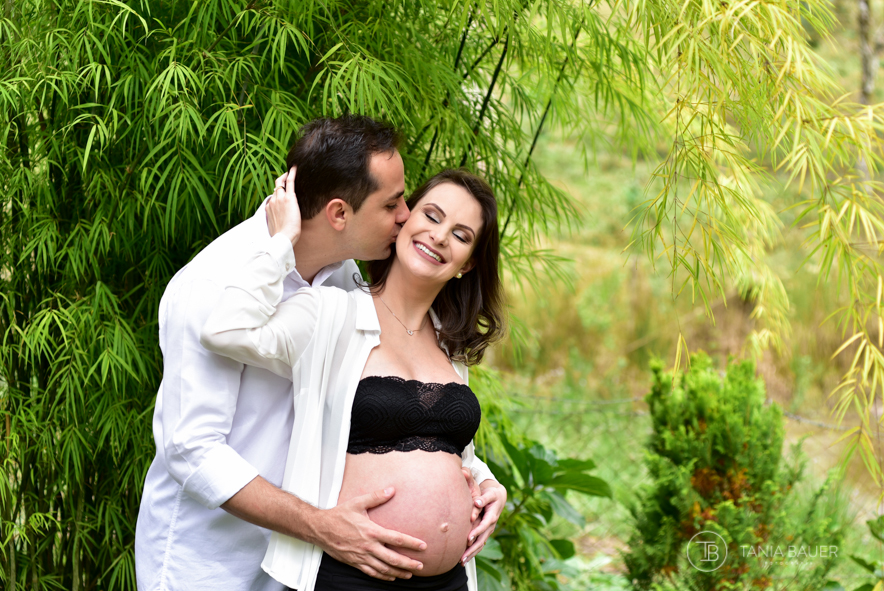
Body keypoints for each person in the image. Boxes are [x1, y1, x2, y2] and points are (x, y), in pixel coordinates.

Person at [135, 115, 505, 591]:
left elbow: (400, 418)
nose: (405, 216)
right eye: (394, 203)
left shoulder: (344, 276)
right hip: (214, 562)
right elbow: (193, 451)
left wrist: (477, 476)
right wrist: (319, 524)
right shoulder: (213, 285)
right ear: (338, 214)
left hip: (305, 556)